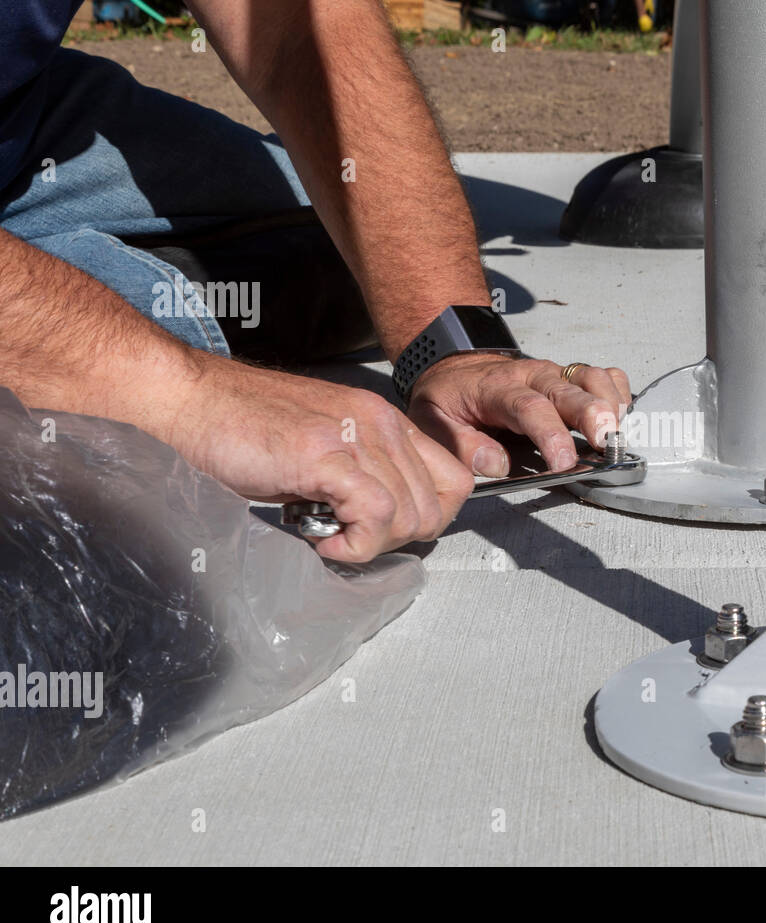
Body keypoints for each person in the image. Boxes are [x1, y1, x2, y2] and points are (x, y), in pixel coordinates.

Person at [0, 0, 632, 562]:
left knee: (355, 230)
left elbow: (296, 25)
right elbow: (182, 396)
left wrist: (450, 341)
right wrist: (182, 395)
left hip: (24, 117)